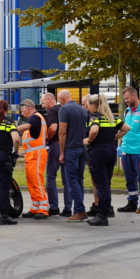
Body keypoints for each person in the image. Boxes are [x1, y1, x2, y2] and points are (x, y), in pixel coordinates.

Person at [83, 94, 130, 226]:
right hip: (110, 151)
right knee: (106, 183)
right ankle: (107, 209)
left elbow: (94, 131)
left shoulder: (95, 117)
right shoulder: (111, 117)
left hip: (98, 152)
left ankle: (102, 215)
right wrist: (113, 138)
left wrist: (89, 140)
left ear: (93, 105)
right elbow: (126, 128)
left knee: (100, 184)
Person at [118, 87, 140, 214]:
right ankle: (132, 203)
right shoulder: (127, 111)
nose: (126, 101)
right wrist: (119, 145)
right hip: (126, 150)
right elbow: (122, 129)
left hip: (138, 151)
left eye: (127, 98)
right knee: (129, 178)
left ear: (134, 96)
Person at [58, 90, 89, 221]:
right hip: (82, 148)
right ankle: (78, 209)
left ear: (63, 98)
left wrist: (61, 152)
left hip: (70, 149)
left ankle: (80, 210)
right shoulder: (83, 110)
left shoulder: (64, 109)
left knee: (71, 180)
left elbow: (62, 132)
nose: (59, 102)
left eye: (59, 100)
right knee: (79, 180)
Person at [16, 99, 49, 219]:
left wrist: (11, 130)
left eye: (22, 109)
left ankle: (43, 208)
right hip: (32, 155)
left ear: (27, 107)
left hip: (37, 154)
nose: (21, 112)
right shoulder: (35, 118)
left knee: (37, 181)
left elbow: (26, 126)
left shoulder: (35, 118)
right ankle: (35, 206)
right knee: (31, 181)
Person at [41, 92, 71, 217]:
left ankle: (54, 207)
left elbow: (53, 127)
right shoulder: (64, 110)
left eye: (43, 102)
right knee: (67, 179)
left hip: (56, 145)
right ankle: (68, 208)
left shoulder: (52, 111)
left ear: (49, 99)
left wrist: (47, 138)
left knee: (50, 177)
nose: (42, 106)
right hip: (67, 145)